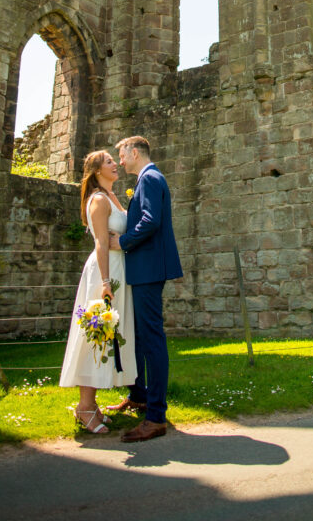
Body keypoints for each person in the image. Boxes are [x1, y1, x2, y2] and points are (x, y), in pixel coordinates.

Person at [108, 135, 183, 442]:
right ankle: (139, 395)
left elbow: (150, 221)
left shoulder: (150, 178)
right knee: (138, 336)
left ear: (135, 153)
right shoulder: (146, 179)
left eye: (123, 156)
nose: (121, 161)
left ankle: (156, 417)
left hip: (150, 269)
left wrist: (122, 242)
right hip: (144, 268)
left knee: (151, 338)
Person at [59, 149, 137, 432]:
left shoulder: (114, 197)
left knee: (112, 336)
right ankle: (84, 407)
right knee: (98, 335)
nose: (115, 163)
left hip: (120, 270)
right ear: (95, 171)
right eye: (108, 162)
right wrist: (105, 282)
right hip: (105, 272)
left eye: (114, 160)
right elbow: (101, 243)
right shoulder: (99, 200)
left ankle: (93, 405)